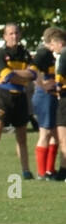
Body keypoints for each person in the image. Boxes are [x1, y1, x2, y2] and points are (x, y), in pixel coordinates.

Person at [0, 22, 36, 179]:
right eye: (10, 33)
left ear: (20, 35)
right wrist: (21, 74)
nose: (14, 36)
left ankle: (26, 171)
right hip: (2, 98)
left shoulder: (25, 54)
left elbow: (33, 75)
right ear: (4, 36)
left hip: (20, 98)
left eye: (16, 33)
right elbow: (5, 74)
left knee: (22, 137)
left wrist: (15, 74)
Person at [30, 27, 66, 179]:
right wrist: (42, 85)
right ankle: (41, 172)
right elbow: (32, 69)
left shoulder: (55, 55)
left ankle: (50, 170)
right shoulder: (43, 52)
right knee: (45, 133)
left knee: (54, 134)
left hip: (52, 96)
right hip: (44, 96)